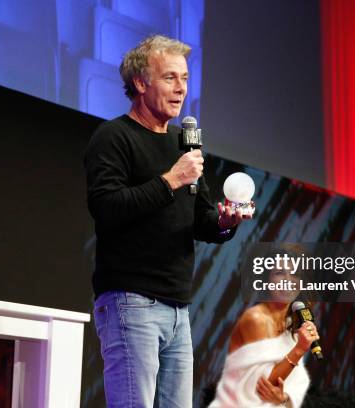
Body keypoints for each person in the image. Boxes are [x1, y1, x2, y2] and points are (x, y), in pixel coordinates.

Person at [84, 35, 252, 408]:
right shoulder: (113, 137)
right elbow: (107, 207)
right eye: (170, 78)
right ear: (141, 83)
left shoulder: (184, 143)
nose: (181, 89)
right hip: (131, 301)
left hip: (178, 307)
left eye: (186, 79)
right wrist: (171, 179)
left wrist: (227, 221)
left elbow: (204, 220)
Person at [209, 260, 317, 407]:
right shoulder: (256, 319)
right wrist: (299, 349)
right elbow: (263, 387)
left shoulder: (293, 324)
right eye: (279, 273)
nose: (288, 280)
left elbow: (294, 385)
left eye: (295, 274)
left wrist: (284, 398)